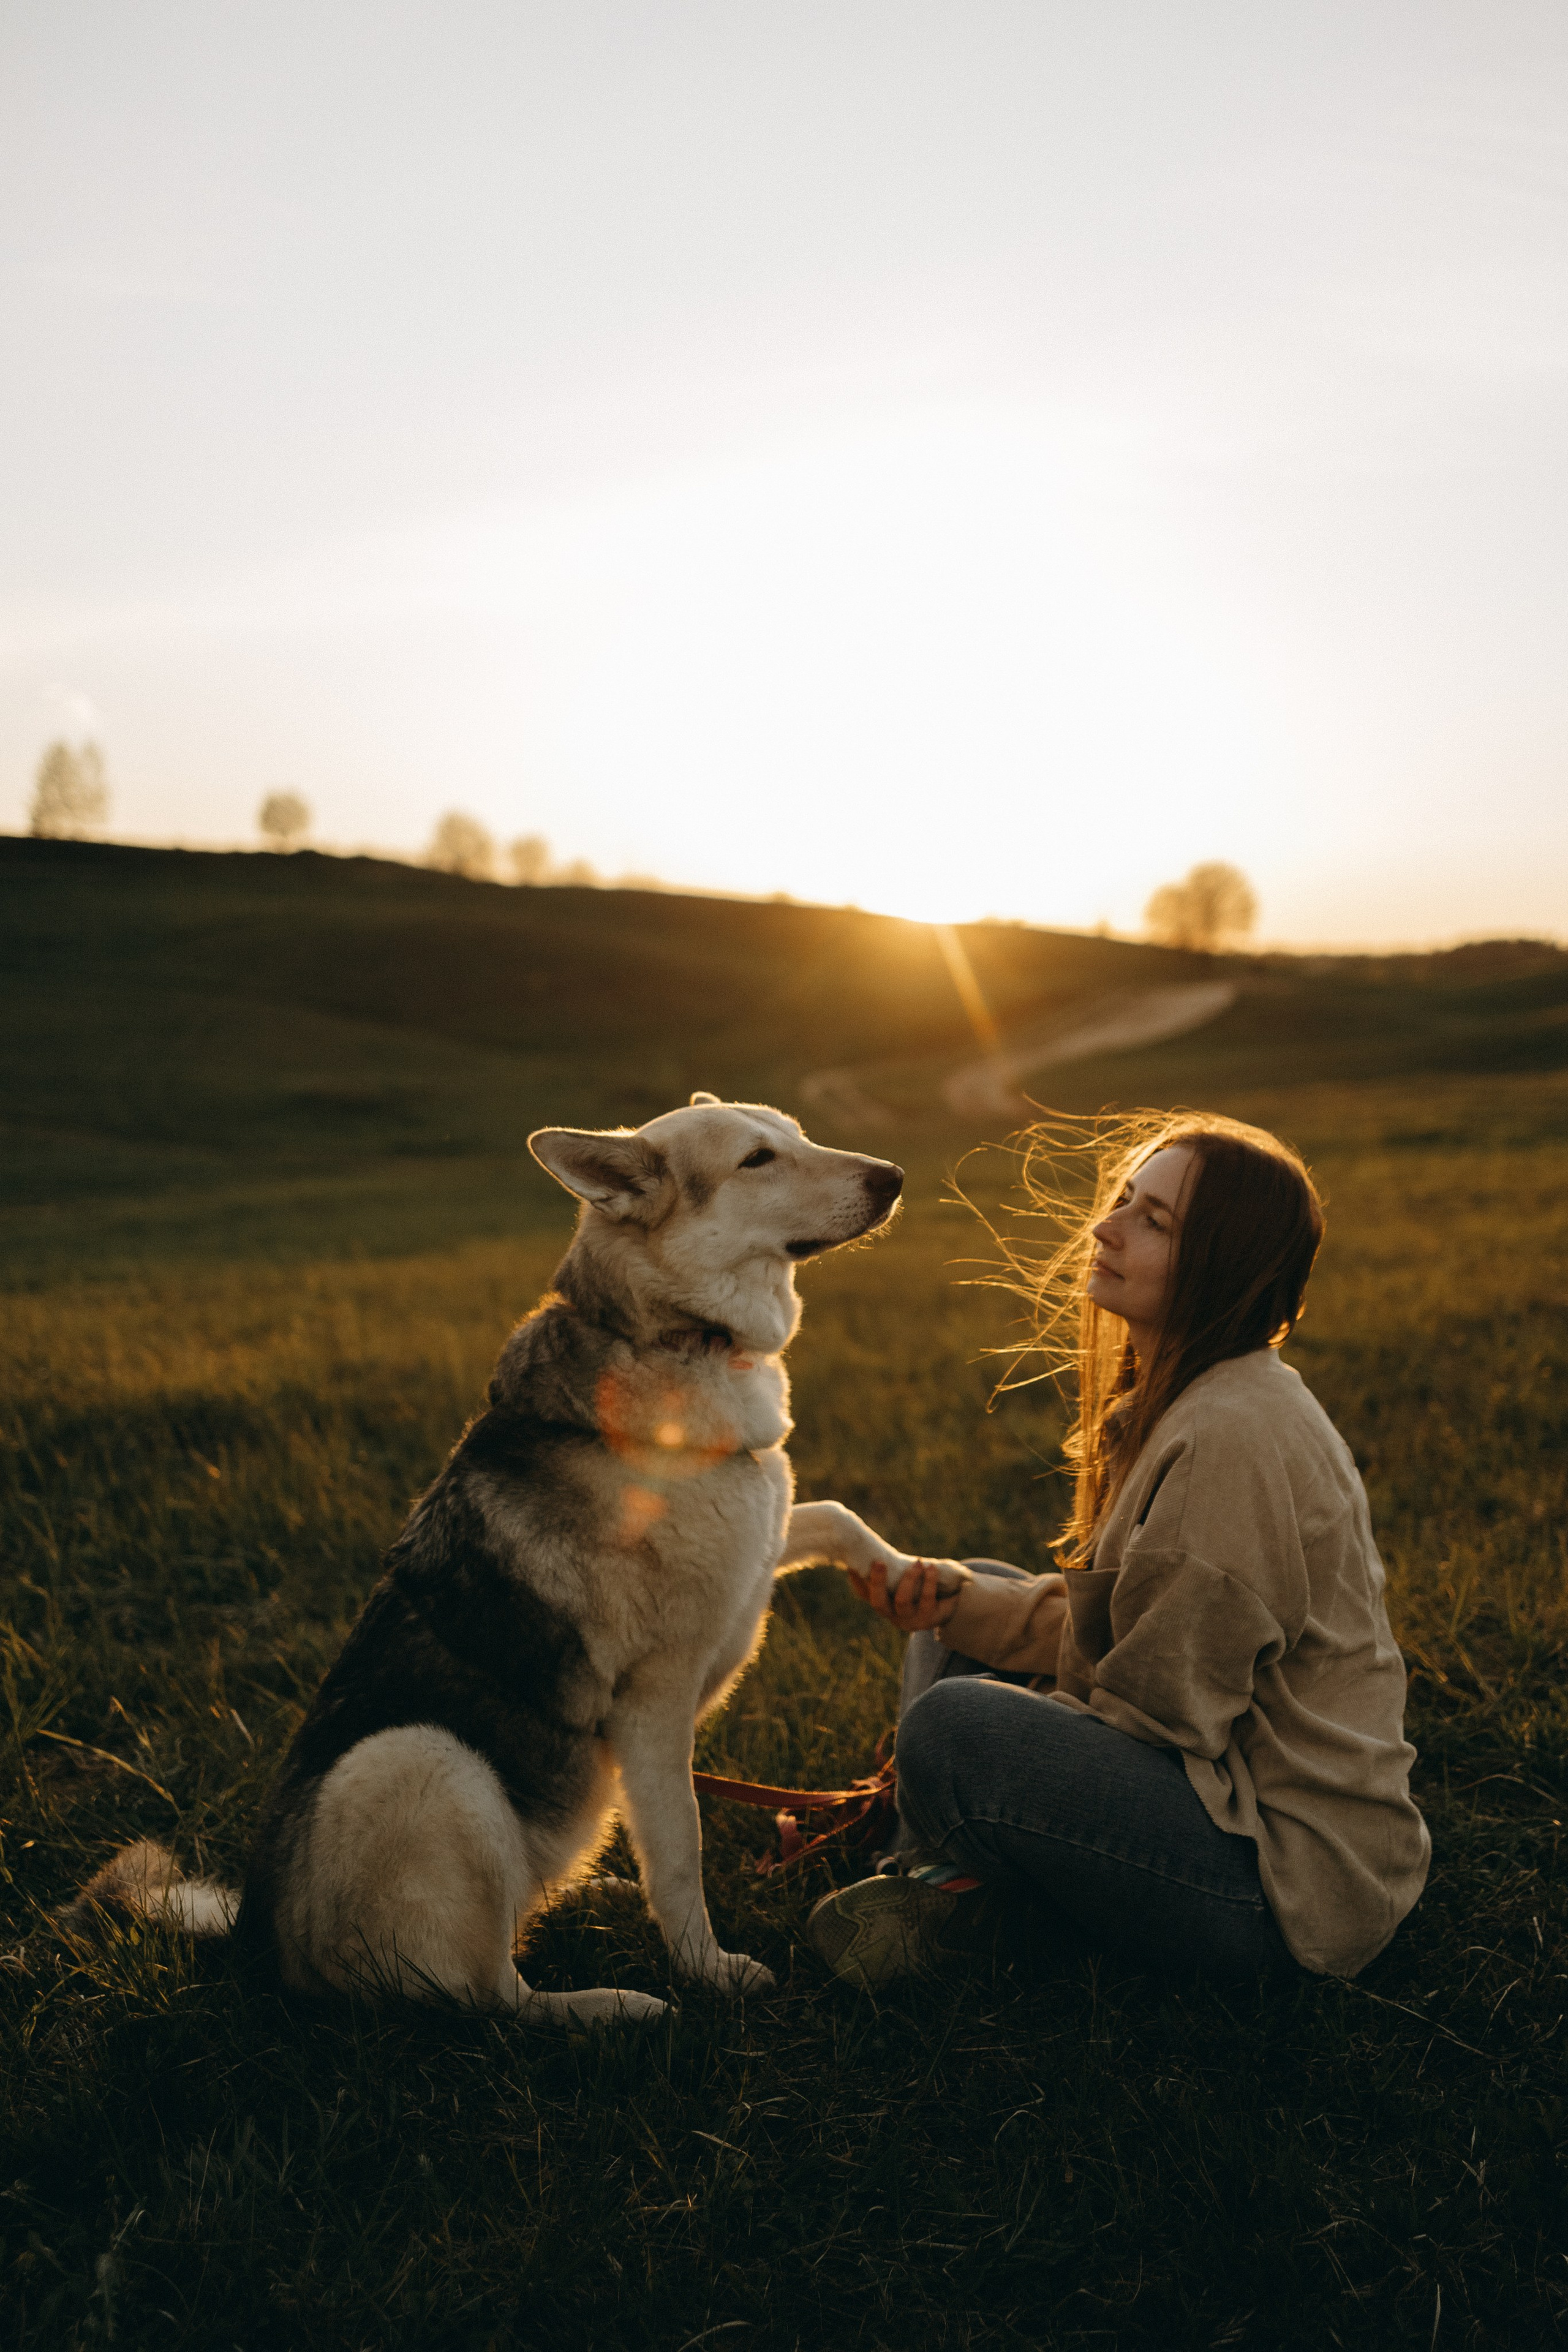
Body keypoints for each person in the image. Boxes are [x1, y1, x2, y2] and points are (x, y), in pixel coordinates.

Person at [805, 1112, 1430, 1992]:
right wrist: (957, 1606)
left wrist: (1000, 1742)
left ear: (1223, 1264)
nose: (1105, 1228)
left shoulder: (1230, 1437)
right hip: (1214, 1800)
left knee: (955, 1729)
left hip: (1279, 1891)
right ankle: (932, 1884)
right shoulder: (1189, 1393)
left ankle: (957, 1894)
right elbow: (1119, 1624)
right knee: (969, 1597)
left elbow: (1166, 1716)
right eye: (1124, 1202)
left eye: (1154, 1222)